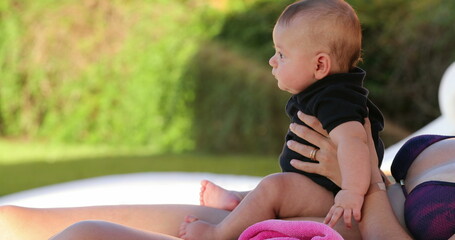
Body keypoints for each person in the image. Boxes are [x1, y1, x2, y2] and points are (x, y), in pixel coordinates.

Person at [0, 112, 453, 239]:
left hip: (324, 226)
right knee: (15, 221)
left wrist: (362, 178)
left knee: (85, 238)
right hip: (301, 209)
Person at [178, 0, 384, 238]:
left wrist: (351, 192)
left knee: (274, 188)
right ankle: (240, 200)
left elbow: (354, 141)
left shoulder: (335, 99)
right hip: (320, 187)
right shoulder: (327, 92)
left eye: (281, 54)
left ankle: (216, 234)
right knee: (273, 188)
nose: (272, 60)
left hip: (334, 195)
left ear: (320, 64)